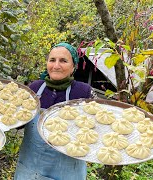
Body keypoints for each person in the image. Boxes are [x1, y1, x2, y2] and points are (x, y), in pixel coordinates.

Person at [14, 42, 96, 179]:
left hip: (68, 171)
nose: (56, 66)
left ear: (73, 67)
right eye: (52, 60)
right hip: (30, 169)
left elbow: (97, 129)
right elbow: (18, 123)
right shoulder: (34, 88)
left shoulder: (85, 92)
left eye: (63, 61)